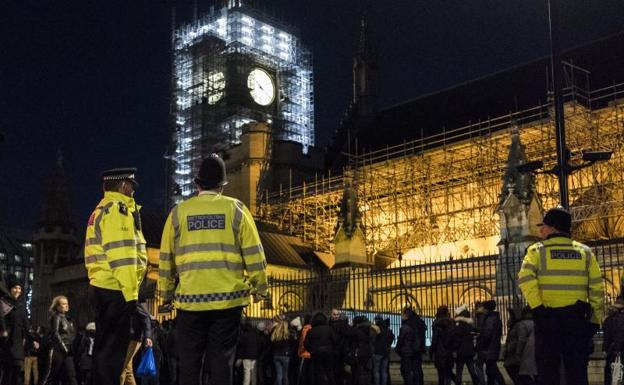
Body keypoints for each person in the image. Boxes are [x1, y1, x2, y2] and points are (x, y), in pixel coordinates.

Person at [158, 154, 268, 385]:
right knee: (222, 363)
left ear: (197, 183)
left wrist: (166, 295)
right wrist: (260, 288)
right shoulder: (236, 210)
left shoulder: (178, 213)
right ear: (222, 186)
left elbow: (167, 259)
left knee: (190, 364)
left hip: (190, 302)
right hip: (228, 302)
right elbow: (254, 254)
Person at [518, 207, 604, 385]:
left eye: (545, 226)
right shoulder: (586, 252)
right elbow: (597, 289)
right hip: (576, 319)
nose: (541, 230)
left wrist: (538, 307)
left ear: (553, 228)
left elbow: (525, 279)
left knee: (548, 371)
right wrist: (596, 319)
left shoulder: (536, 251)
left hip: (548, 318)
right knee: (577, 372)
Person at [85, 168, 147, 385]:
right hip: (115, 289)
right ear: (122, 185)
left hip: (102, 286)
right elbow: (122, 256)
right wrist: (131, 295)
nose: (133, 190)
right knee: (113, 357)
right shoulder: (117, 211)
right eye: (131, 186)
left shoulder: (101, 209)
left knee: (103, 353)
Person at [40, 295, 78, 385]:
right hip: (58, 350)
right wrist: (64, 348)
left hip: (68, 351)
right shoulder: (56, 317)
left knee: (72, 376)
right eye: (63, 304)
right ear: (57, 306)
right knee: (51, 376)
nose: (67, 306)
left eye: (67, 303)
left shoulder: (68, 319)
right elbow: (55, 333)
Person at [1, 276, 30, 385]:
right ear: (9, 289)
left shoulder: (21, 305)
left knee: (17, 368)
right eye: (15, 288)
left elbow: (26, 325)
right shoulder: (3, 302)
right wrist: (3, 330)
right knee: (7, 371)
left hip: (18, 342)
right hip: (6, 341)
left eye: (19, 288)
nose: (17, 290)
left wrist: (33, 339)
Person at [120, 302, 153, 385]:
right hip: (127, 338)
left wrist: (148, 336)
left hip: (134, 338)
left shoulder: (134, 300)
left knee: (121, 367)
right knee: (127, 369)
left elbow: (146, 317)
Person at [503, 307, 536, 385]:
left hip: (520, 354)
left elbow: (521, 340)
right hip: (528, 354)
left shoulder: (521, 325)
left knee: (516, 372)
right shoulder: (532, 323)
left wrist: (515, 352)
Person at [451, 305, 483, 385]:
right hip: (469, 351)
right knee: (472, 370)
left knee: (459, 371)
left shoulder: (458, 325)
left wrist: (455, 349)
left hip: (460, 351)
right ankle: (477, 383)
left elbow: (456, 338)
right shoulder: (470, 325)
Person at [304, 311, 337, 385]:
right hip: (328, 352)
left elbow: (306, 343)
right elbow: (335, 340)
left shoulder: (311, 330)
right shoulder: (329, 329)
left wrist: (311, 350)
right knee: (329, 371)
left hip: (316, 353)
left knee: (318, 372)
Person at [476, 300, 505, 385]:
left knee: (492, 370)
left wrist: (481, 345)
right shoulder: (496, 318)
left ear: (486, 308)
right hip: (494, 347)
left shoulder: (490, 319)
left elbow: (487, 334)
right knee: (491, 370)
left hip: (488, 349)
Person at [396, 307, 426, 385]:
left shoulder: (406, 326)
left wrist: (398, 349)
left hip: (407, 352)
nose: (401, 316)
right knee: (417, 370)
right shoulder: (418, 323)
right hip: (417, 351)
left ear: (406, 315)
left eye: (402, 314)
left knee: (406, 371)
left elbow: (401, 340)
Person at [431, 306, 459, 385]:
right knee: (449, 372)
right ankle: (458, 382)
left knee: (441, 375)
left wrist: (431, 351)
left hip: (440, 352)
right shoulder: (452, 322)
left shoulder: (436, 323)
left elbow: (435, 339)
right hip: (449, 351)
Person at [603, 298, 624, 385]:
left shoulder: (608, 320)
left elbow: (606, 337)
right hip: (621, 350)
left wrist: (605, 350)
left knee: (611, 375)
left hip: (612, 351)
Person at [271, 316, 296, 385]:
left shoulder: (275, 335)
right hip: (285, 355)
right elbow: (293, 344)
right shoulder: (288, 335)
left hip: (276, 355)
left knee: (279, 374)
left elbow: (272, 344)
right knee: (285, 375)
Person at [372, 316, 394, 385]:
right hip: (386, 353)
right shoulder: (388, 331)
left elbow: (373, 340)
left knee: (376, 371)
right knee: (384, 371)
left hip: (377, 352)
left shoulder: (376, 330)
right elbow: (391, 339)